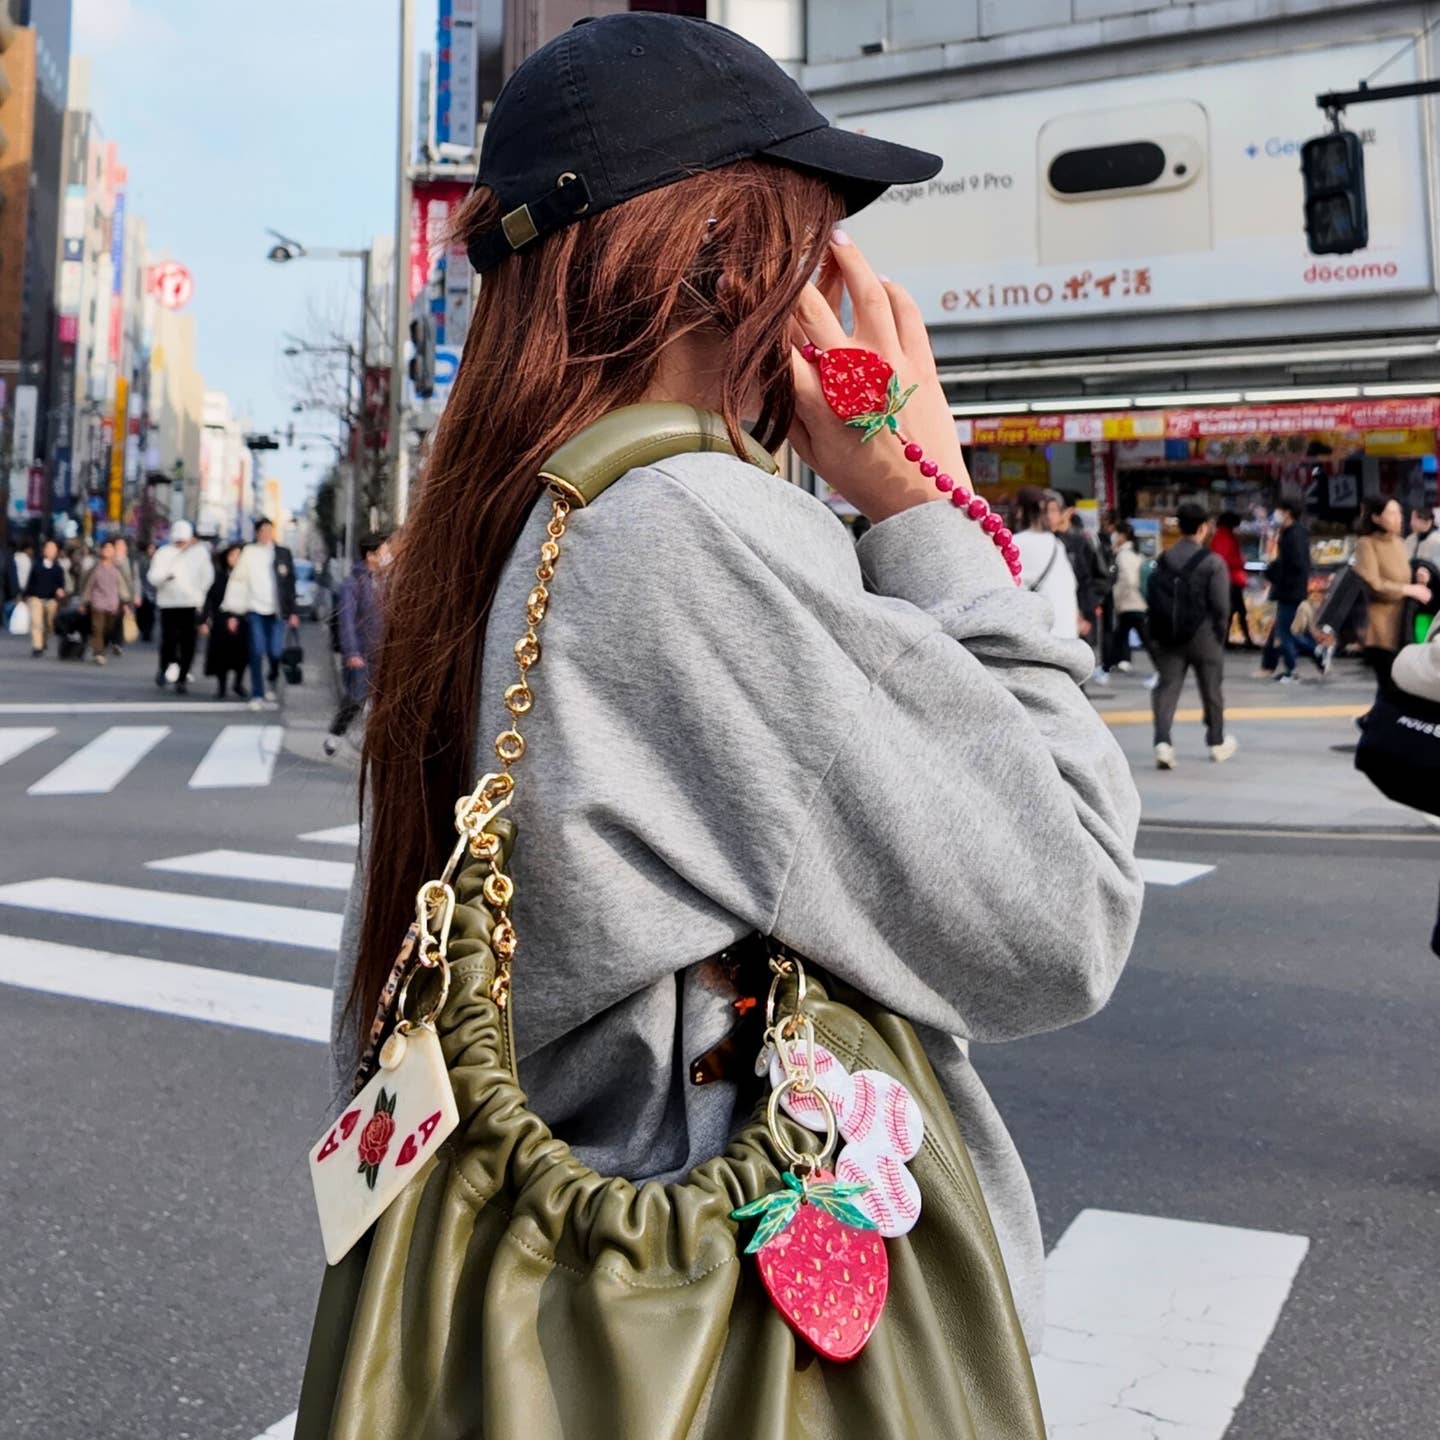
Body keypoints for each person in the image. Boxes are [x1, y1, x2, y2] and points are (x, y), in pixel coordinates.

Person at [329, 13, 1142, 1379]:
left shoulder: (502, 531)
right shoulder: (687, 528)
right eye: (811, 243)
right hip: (725, 1358)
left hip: (569, 1327)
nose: (837, 292)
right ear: (724, 264)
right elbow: (1063, 909)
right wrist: (916, 494)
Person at [1149, 502, 1236, 767]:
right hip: (1204, 635)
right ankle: (1216, 742)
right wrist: (1220, 635)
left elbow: (1151, 594)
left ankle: (1163, 743)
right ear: (1203, 528)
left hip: (1168, 635)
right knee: (1211, 688)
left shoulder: (1162, 559)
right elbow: (1222, 605)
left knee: (1167, 687)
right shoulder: (1212, 562)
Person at [1354, 497, 1433, 697]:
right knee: (1391, 688)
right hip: (1380, 630)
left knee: (1398, 690)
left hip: (1402, 627)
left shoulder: (1399, 542)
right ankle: (1376, 723)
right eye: (1392, 513)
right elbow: (1373, 583)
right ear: (1376, 518)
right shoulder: (1366, 544)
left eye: (1399, 513)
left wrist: (1419, 580)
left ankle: (1374, 722)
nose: (1399, 518)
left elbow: (1402, 576)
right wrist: (1408, 589)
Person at [222, 517, 299, 711]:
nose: (266, 534)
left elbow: (290, 584)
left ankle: (272, 675)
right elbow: (237, 581)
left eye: (269, 530)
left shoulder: (283, 553)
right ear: (257, 533)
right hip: (255, 610)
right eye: (263, 530)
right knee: (256, 651)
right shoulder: (249, 552)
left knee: (275, 652)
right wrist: (233, 611)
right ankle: (257, 692)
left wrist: (293, 611)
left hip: (277, 611)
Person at [323, 533, 386, 757]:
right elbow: (346, 620)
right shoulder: (353, 583)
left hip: (381, 651)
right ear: (371, 555)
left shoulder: (384, 580)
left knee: (377, 699)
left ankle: (368, 740)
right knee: (356, 696)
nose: (387, 556)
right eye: (383, 551)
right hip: (359, 650)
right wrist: (351, 651)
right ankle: (336, 733)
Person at [148, 520, 214, 695]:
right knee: (168, 640)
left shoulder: (200, 554)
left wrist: (200, 599)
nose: (181, 544)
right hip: (168, 604)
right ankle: (163, 668)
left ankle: (182, 677)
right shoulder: (164, 553)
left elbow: (207, 578)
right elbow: (153, 577)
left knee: (188, 643)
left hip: (190, 605)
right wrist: (165, 577)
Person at [1009, 485, 1080, 639]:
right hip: (1068, 633)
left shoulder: (1016, 543)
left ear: (1021, 510)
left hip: (1042, 637)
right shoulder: (1057, 544)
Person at [1256, 498, 1312, 683]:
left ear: (1287, 513)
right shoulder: (1294, 533)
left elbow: (1294, 563)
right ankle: (1313, 654)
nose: (1277, 515)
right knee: (1287, 630)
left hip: (1290, 590)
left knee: (1284, 631)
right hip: (1293, 589)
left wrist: (1274, 571)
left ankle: (1293, 669)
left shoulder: (1292, 535)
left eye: (1279, 510)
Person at [201, 543, 249, 699]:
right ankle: (221, 686)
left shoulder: (248, 577)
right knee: (221, 655)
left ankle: (238, 683)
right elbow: (210, 599)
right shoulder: (220, 577)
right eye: (232, 555)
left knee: (242, 655)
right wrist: (203, 620)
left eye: (239, 556)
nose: (236, 559)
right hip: (221, 621)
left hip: (243, 620)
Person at [1109, 521, 1154, 678]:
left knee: (1141, 635)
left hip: (1130, 602)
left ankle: (1111, 663)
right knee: (1122, 633)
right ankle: (1116, 662)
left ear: (1123, 536)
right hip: (1136, 601)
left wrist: (1118, 597)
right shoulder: (1136, 554)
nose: (1114, 537)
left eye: (1116, 533)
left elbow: (1129, 580)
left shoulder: (1123, 555)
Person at [79, 539, 132, 664]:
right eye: (105, 548)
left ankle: (104, 646)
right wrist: (84, 602)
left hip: (113, 605)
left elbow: (122, 587)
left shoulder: (117, 569)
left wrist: (125, 603)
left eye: (110, 549)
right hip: (97, 603)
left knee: (108, 629)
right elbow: (88, 586)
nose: (108, 551)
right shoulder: (95, 568)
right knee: (98, 628)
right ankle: (98, 653)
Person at [1209, 511, 1255, 648]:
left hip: (1230, 579)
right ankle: (1239, 640)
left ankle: (1227, 639)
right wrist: (1240, 562)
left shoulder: (1224, 535)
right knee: (1236, 611)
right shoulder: (1224, 537)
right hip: (1230, 579)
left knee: (1233, 611)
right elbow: (1224, 559)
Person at [23, 539, 67, 656]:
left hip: (51, 599)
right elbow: (30, 582)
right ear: (44, 550)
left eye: (53, 548)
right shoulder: (36, 565)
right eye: (48, 548)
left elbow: (61, 585)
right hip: (35, 598)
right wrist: (25, 596)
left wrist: (60, 591)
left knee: (50, 624)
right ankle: (37, 646)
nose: (50, 551)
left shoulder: (58, 569)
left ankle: (43, 640)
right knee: (36, 622)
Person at [136, 540, 158, 643]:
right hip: (142, 590)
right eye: (150, 548)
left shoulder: (158, 561)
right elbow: (137, 576)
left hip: (153, 592)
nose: (151, 550)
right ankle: (142, 628)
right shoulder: (141, 560)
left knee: (150, 614)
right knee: (141, 613)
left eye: (153, 548)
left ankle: (148, 632)